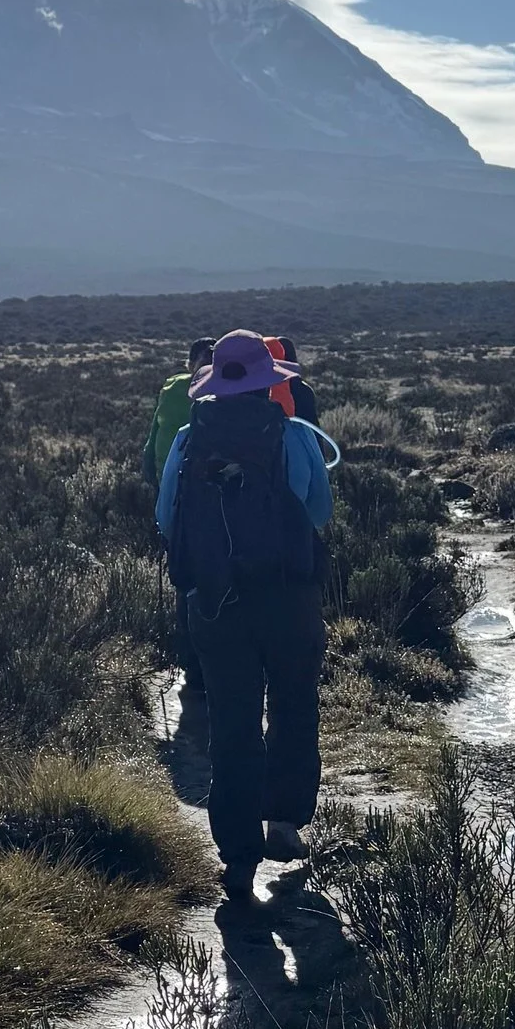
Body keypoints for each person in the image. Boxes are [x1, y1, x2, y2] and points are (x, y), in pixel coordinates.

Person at [156, 327, 338, 904]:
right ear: (267, 384)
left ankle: (237, 861)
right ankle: (283, 825)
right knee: (293, 706)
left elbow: (167, 518)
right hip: (287, 600)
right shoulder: (292, 436)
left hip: (215, 604)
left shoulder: (187, 441)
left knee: (232, 729)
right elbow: (319, 509)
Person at [143, 339, 216, 710]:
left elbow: (152, 448)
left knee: (186, 587)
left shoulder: (172, 390)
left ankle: (193, 667)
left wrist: (161, 505)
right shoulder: (272, 424)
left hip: (181, 511)